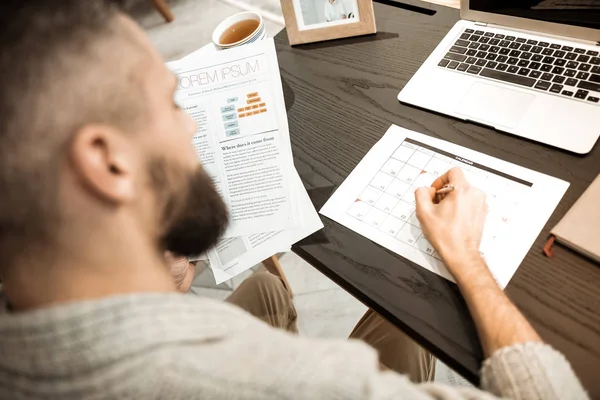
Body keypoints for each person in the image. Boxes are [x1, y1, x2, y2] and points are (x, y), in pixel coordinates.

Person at [0, 1, 588, 399]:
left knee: (264, 287)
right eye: (173, 105)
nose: (195, 133)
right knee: (410, 314)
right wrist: (466, 257)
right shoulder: (274, 380)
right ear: (107, 162)